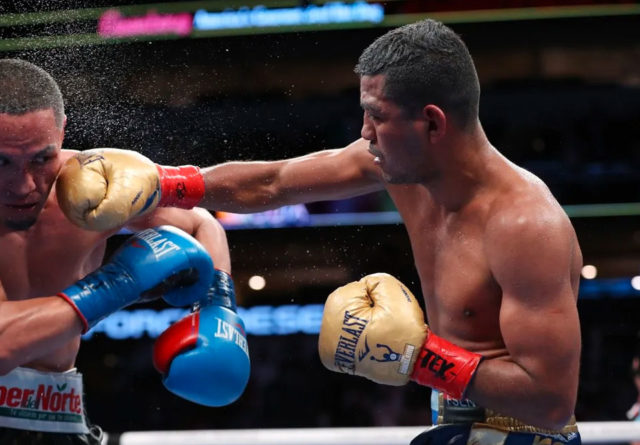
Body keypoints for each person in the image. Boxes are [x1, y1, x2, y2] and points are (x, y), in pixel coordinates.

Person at [84, 19, 582, 445]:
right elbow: (272, 182)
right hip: (451, 424)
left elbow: (552, 402)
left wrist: (420, 357)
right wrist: (165, 185)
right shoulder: (395, 166)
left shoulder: (524, 226)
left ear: (432, 124)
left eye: (378, 116)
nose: (364, 131)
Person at [0, 58, 250, 445]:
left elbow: (201, 223)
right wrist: (121, 282)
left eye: (42, 158)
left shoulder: (94, 185)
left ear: (61, 134)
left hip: (62, 413)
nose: (24, 185)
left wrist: (218, 306)